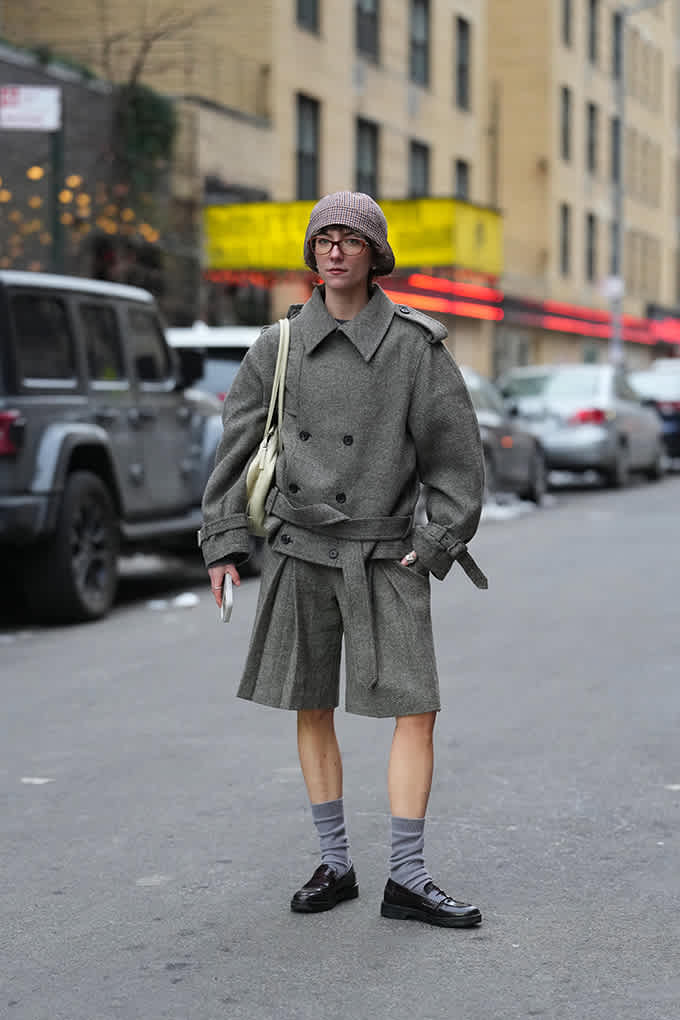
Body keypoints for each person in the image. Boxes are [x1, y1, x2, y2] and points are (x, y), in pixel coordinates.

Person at [199, 191, 487, 929]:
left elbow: (457, 458)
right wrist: (226, 540)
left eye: (349, 239)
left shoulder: (416, 348)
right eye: (323, 237)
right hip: (300, 548)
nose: (334, 250)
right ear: (312, 253)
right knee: (310, 703)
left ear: (374, 254)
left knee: (416, 710)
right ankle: (335, 861)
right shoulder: (280, 343)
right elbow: (237, 447)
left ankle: (408, 876)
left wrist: (439, 537)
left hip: (387, 552)